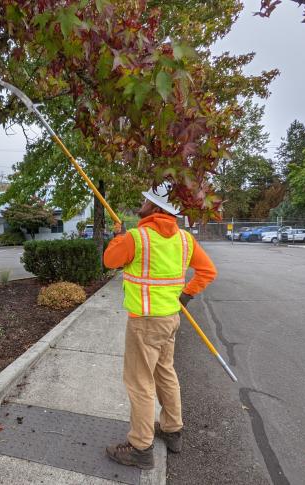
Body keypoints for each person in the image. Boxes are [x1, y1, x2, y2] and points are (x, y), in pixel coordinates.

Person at [103, 187, 217, 469]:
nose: (141, 204)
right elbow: (208, 271)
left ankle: (140, 447)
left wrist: (118, 239)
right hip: (170, 320)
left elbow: (109, 261)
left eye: (145, 201)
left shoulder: (136, 238)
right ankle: (172, 429)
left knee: (140, 382)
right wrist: (186, 296)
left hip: (144, 323)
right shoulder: (185, 239)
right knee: (165, 372)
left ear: (155, 209)